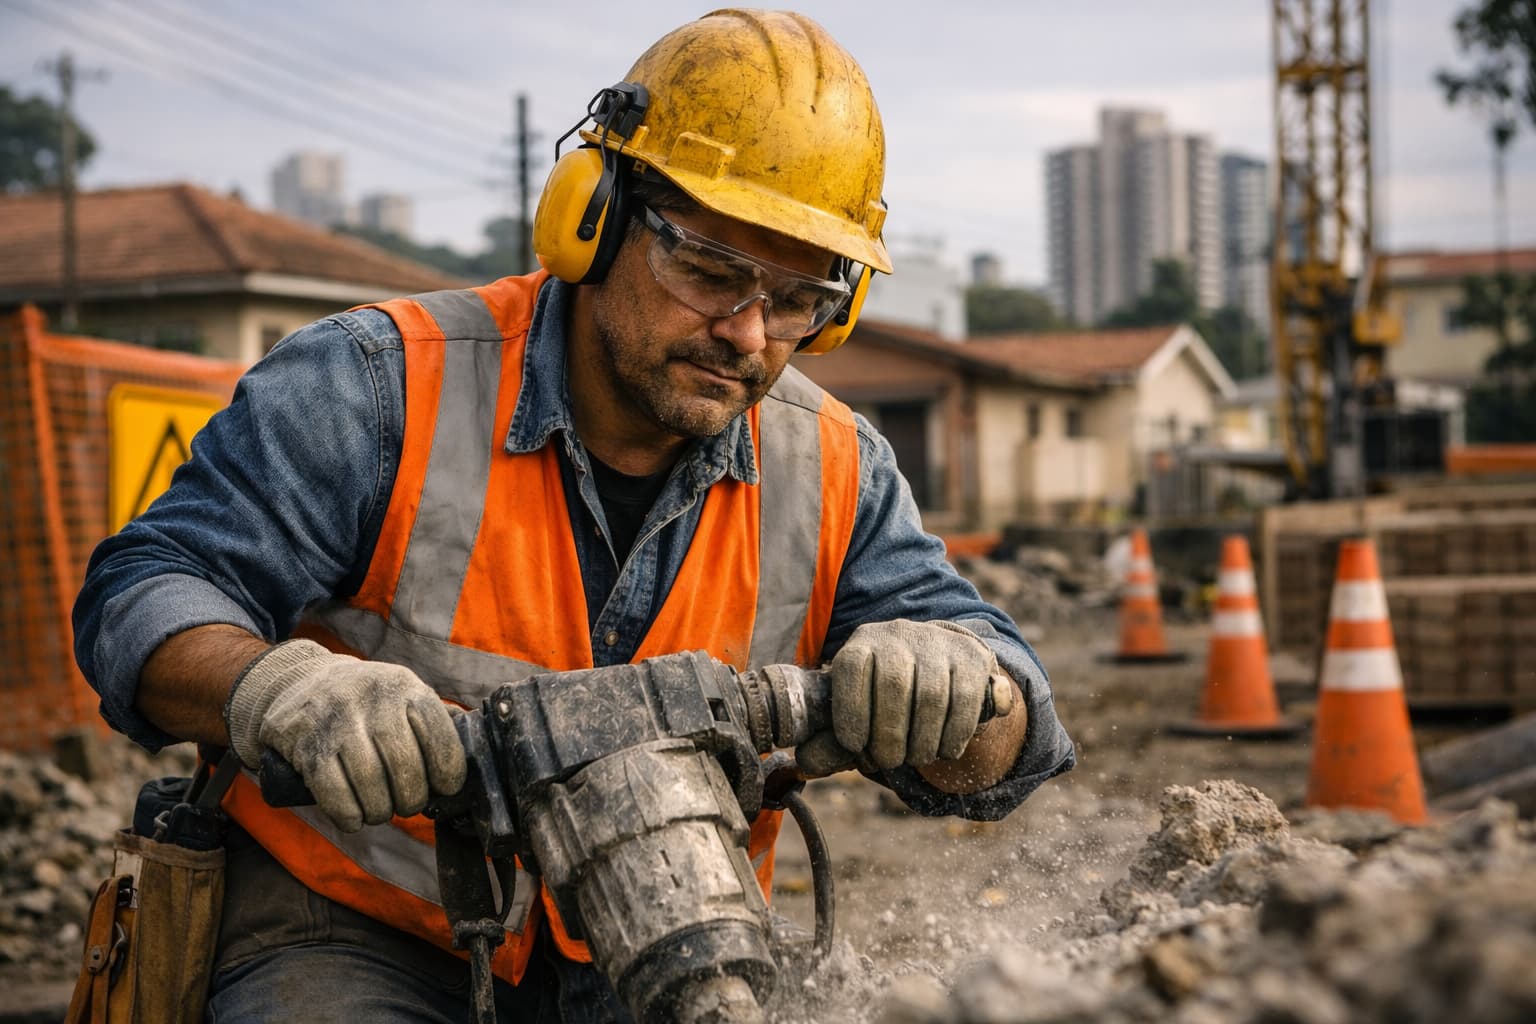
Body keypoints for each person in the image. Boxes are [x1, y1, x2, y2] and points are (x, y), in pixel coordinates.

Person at [73, 9, 1074, 1022]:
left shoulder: (836, 468)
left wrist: (959, 684)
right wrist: (274, 689)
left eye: (797, 300)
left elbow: (1018, 734)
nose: (747, 333)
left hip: (668, 946)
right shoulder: (375, 388)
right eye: (710, 270)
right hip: (359, 929)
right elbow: (142, 591)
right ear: (590, 218)